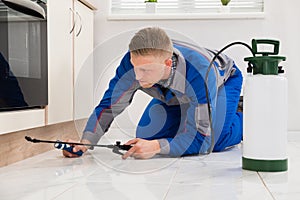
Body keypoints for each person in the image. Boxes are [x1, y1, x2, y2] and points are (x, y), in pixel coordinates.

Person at [63, 27, 243, 159]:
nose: (137, 76)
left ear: (166, 63)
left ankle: (243, 116)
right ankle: (191, 115)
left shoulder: (201, 72)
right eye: (135, 67)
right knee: (147, 135)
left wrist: (157, 147)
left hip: (223, 84)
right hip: (176, 96)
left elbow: (201, 140)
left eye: (146, 70)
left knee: (214, 141)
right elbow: (109, 106)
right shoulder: (132, 65)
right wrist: (85, 142)